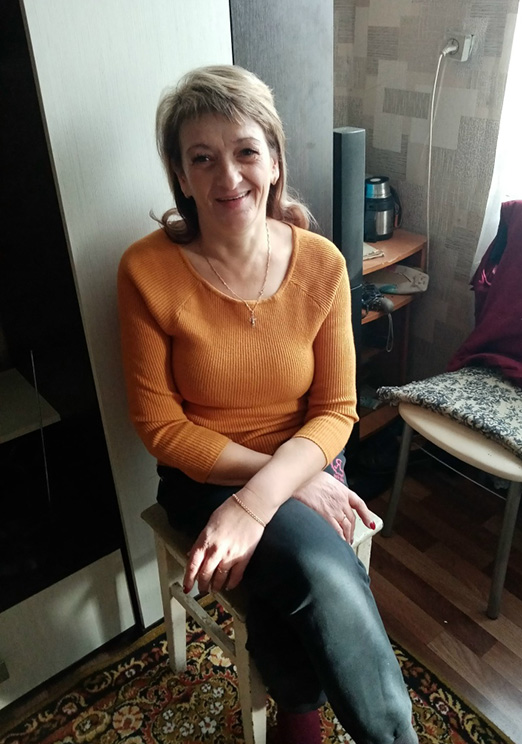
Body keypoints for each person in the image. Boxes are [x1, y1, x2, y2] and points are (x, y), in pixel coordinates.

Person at [117, 65, 418, 744]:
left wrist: (264, 496)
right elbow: (160, 427)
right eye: (202, 158)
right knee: (314, 565)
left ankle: (300, 714)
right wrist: (273, 488)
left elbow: (337, 409)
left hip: (302, 460)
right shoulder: (145, 271)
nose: (228, 176)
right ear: (180, 174)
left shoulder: (322, 264)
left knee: (299, 559)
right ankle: (331, 722)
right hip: (203, 477)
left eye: (246, 151)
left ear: (275, 161)